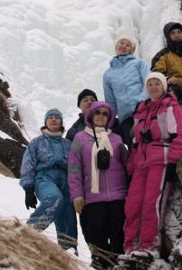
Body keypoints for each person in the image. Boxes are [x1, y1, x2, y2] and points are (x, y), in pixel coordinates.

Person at [123, 72, 182, 260]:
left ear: (164, 86)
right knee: (133, 205)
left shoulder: (172, 107)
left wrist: (173, 163)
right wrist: (131, 167)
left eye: (157, 83)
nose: (153, 87)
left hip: (161, 159)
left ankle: (149, 246)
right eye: (150, 84)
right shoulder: (141, 110)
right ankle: (130, 246)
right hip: (141, 163)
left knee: (153, 202)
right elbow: (135, 142)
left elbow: (181, 136)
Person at [68, 101, 128, 269]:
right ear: (91, 115)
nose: (101, 116)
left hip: (118, 196)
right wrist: (77, 195)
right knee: (97, 240)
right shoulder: (80, 138)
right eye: (97, 113)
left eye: (105, 113)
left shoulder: (116, 139)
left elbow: (127, 164)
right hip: (93, 198)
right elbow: (74, 169)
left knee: (119, 238)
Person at [19, 108, 77, 250]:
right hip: (44, 178)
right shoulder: (36, 143)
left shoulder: (68, 144)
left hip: (66, 181)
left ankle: (68, 251)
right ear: (45, 122)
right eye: (50, 117)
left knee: (68, 215)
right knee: (54, 199)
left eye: (57, 117)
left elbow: (76, 166)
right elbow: (28, 164)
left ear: (61, 122)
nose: (53, 119)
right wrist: (28, 189)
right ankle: (28, 232)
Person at [103, 35, 150, 146]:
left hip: (144, 110)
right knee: (132, 146)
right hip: (125, 117)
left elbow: (149, 82)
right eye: (121, 43)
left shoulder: (139, 63)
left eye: (128, 45)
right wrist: (109, 122)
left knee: (147, 142)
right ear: (116, 46)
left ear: (132, 50)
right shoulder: (108, 74)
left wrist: (141, 101)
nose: (124, 46)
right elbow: (111, 101)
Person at [150, 22, 182, 100]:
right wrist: (168, 78)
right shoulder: (163, 55)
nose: (177, 35)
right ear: (168, 36)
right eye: (173, 33)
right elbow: (156, 73)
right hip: (177, 92)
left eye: (179, 32)